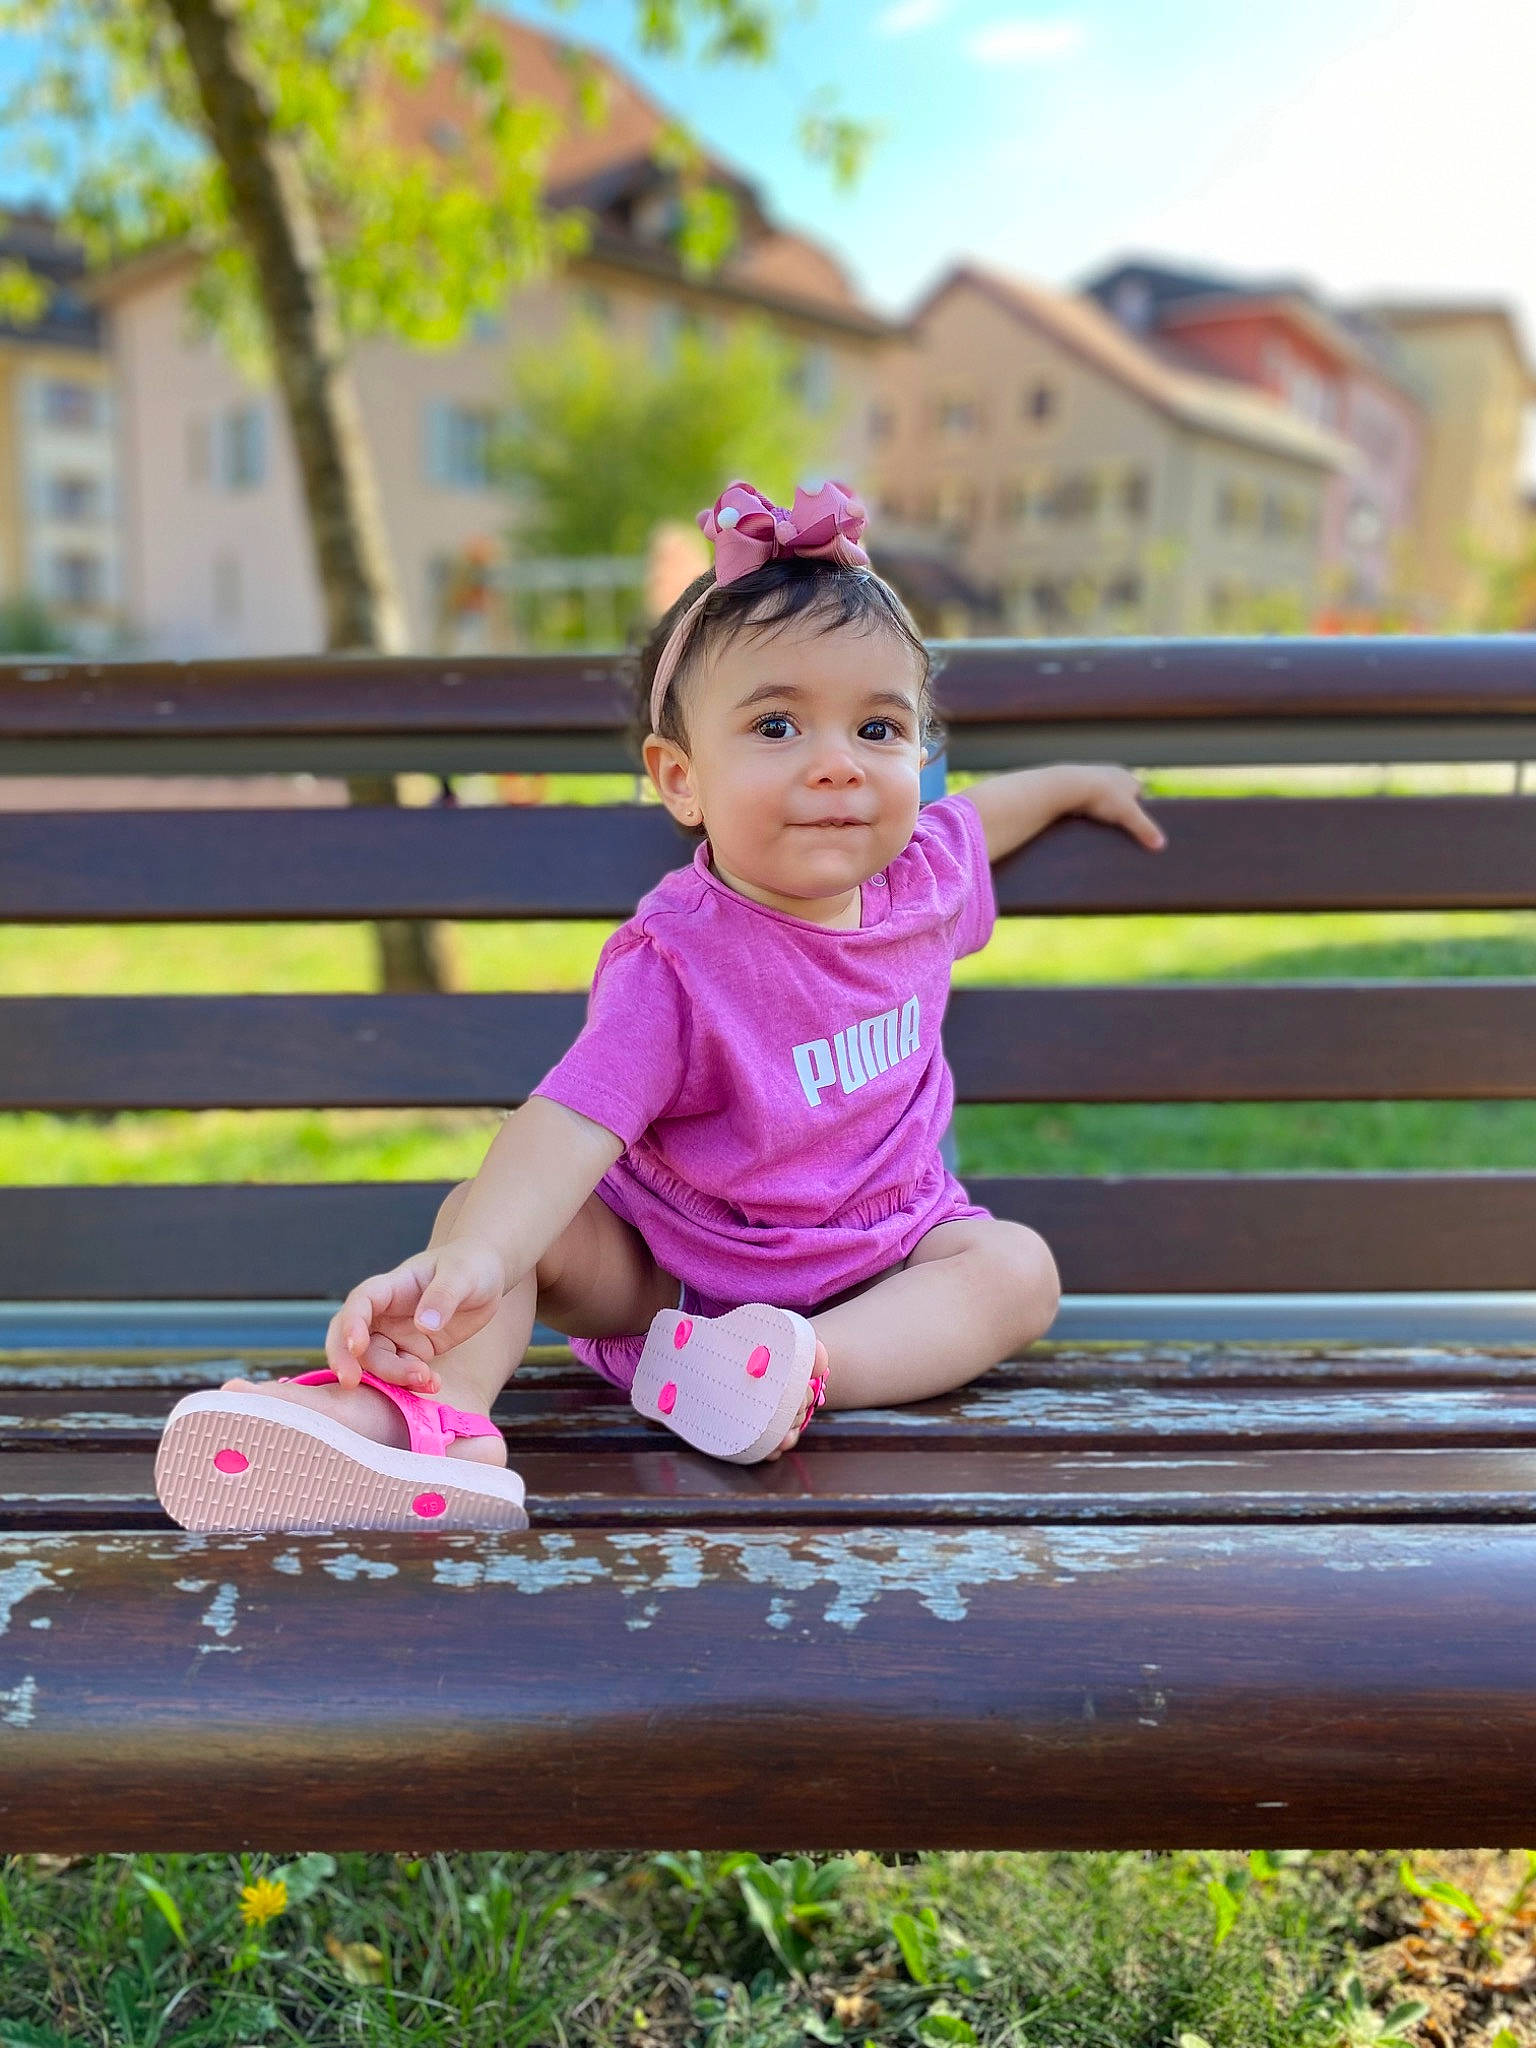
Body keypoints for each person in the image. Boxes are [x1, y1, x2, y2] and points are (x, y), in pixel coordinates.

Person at [154, 479, 1165, 1534]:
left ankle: (801, 1372)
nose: (836, 764)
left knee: (1016, 1270)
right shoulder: (678, 956)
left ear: (918, 754)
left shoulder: (924, 875)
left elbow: (984, 813)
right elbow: (572, 1116)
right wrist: (485, 1254)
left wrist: (1077, 781)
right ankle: (429, 1421)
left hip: (885, 1256)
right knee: (495, 1217)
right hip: (677, 1276)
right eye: (777, 725)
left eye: (878, 727)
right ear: (681, 779)